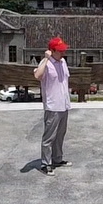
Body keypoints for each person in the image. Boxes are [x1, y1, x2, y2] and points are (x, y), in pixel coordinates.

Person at [34, 37, 72, 176]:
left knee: (60, 134)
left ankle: (57, 158)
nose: (63, 53)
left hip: (64, 104)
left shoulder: (63, 62)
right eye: (60, 51)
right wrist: (46, 58)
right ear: (52, 50)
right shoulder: (46, 64)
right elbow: (38, 76)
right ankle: (45, 163)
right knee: (49, 137)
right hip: (53, 106)